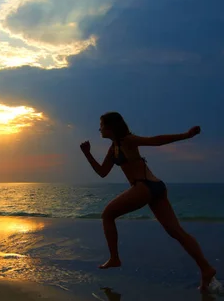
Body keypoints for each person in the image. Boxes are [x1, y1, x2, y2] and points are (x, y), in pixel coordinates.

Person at [80, 111, 216, 291]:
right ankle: (206, 269)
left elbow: (155, 140)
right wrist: (87, 154)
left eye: (102, 125)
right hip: (156, 187)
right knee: (176, 232)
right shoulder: (113, 148)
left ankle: (114, 258)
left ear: (111, 127)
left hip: (143, 186)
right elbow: (103, 172)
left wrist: (186, 135)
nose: (99, 129)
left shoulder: (127, 140)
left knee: (107, 215)